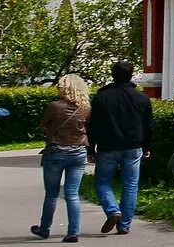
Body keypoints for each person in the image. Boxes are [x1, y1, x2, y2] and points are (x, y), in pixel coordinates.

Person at [86, 62, 153, 236]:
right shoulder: (142, 98)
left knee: (102, 182)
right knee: (130, 185)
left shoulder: (102, 97)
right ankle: (124, 225)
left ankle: (112, 210)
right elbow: (148, 125)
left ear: (112, 74)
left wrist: (90, 149)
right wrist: (147, 146)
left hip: (108, 146)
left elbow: (93, 125)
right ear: (131, 75)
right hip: (133, 146)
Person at [32, 74, 92, 242]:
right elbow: (87, 127)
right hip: (78, 152)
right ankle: (73, 232)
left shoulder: (54, 106)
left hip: (56, 151)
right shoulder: (86, 107)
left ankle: (44, 229)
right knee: (72, 194)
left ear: (64, 88)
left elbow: (43, 125)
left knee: (51, 194)